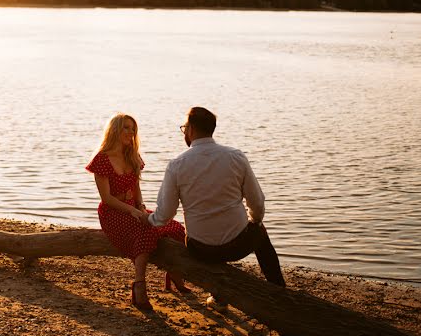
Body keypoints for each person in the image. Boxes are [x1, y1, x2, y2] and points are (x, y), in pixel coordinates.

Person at [147, 106, 286, 307]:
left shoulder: (177, 165)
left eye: (185, 127)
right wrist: (253, 221)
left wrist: (148, 219)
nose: (184, 131)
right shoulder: (235, 157)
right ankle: (279, 291)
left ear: (191, 130)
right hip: (237, 245)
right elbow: (257, 202)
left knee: (207, 230)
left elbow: (165, 214)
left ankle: (219, 296)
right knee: (259, 232)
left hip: (200, 248)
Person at [86, 113, 188, 312]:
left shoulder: (131, 155)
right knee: (146, 232)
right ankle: (139, 286)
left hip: (134, 208)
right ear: (115, 130)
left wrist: (140, 207)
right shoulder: (101, 159)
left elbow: (136, 187)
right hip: (112, 212)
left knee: (175, 227)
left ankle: (174, 273)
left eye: (133, 129)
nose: (131, 132)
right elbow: (107, 198)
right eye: (126, 128)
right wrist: (132, 210)